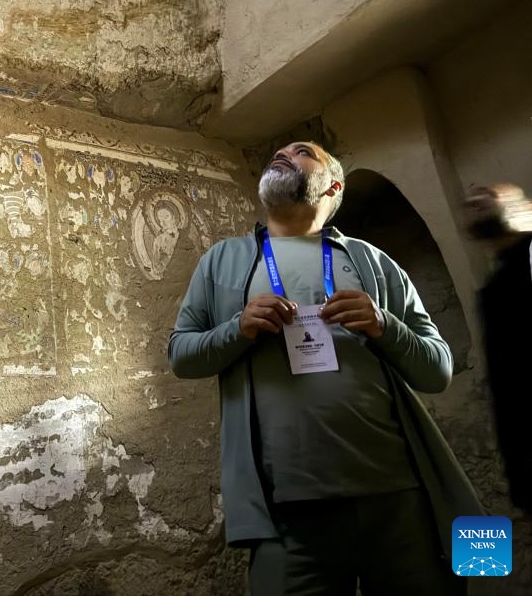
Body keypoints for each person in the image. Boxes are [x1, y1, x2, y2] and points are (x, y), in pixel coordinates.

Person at [169, 141, 482, 595]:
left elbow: (437, 372)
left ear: (333, 185)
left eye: (301, 152)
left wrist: (383, 323)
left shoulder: (373, 262)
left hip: (398, 497)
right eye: (279, 151)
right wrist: (238, 328)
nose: (282, 153)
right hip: (285, 513)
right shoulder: (223, 260)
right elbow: (181, 355)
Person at [465, 182, 532, 513]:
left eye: (488, 194)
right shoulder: (497, 290)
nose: (475, 200)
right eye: (472, 199)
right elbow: (507, 389)